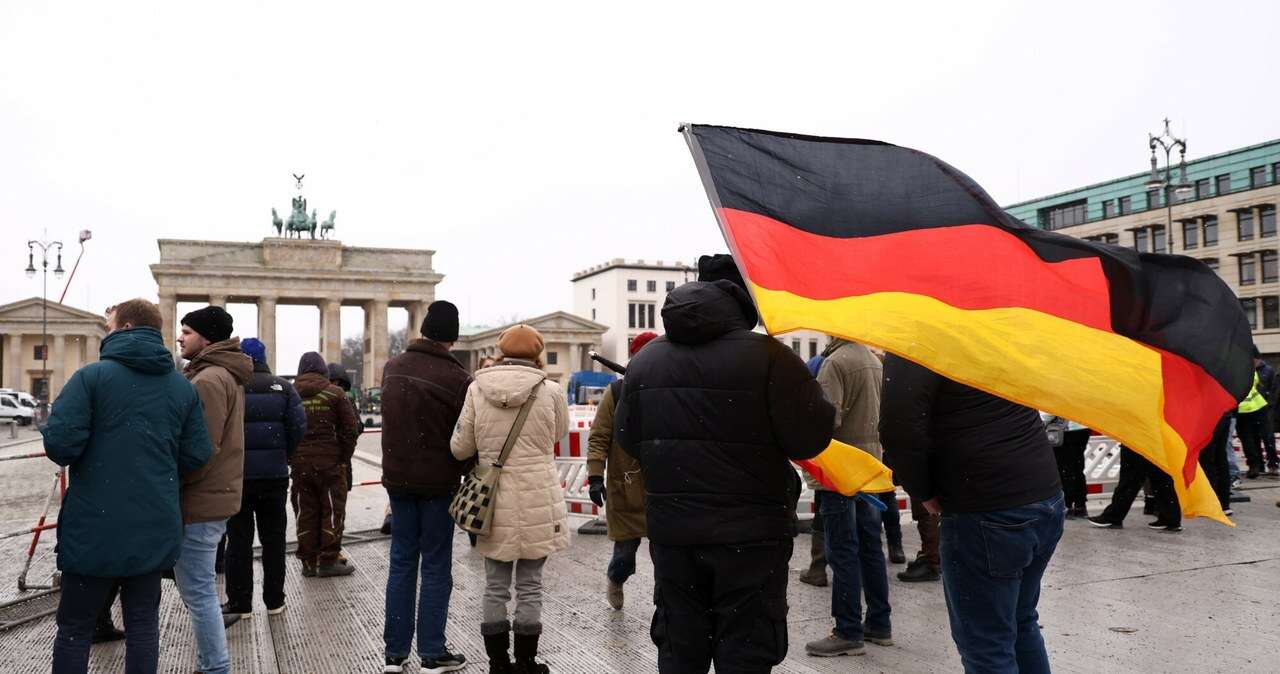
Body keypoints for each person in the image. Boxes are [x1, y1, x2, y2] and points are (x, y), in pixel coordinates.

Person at [614, 254, 835, 673]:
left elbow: (630, 439)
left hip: (675, 531)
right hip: (750, 535)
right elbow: (808, 438)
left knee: (682, 643)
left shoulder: (646, 361)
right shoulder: (770, 357)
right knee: (746, 646)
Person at [45, 299, 212, 674]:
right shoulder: (181, 388)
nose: (106, 332)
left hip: (93, 526)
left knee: (74, 629)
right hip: (153, 524)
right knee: (143, 627)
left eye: (109, 325)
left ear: (125, 328)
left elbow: (61, 446)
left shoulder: (90, 378)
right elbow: (198, 454)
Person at [879, 354, 1064, 674]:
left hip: (986, 508)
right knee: (1020, 623)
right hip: (1043, 494)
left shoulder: (915, 333)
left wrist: (923, 491)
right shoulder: (985, 325)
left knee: (987, 646)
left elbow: (899, 429)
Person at [452, 324, 570, 674]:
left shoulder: (476, 388)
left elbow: (461, 448)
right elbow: (559, 434)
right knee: (531, 585)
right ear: (536, 354)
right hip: (537, 496)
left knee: (495, 586)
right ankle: (527, 662)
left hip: (492, 502)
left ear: (501, 351)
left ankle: (497, 662)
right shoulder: (550, 391)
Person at [380, 301, 472, 674]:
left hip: (398, 480)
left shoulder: (393, 367)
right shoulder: (457, 378)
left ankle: (394, 654)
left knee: (401, 562)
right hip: (438, 483)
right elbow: (465, 437)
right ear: (453, 337)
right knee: (435, 565)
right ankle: (432, 652)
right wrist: (464, 468)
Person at [175, 305, 252, 674]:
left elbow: (201, 449)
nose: (179, 337)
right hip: (215, 495)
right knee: (199, 588)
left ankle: (214, 667)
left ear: (206, 338)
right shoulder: (223, 375)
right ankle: (211, 664)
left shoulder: (208, 380)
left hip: (201, 498)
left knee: (199, 592)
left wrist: (177, 480)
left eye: (186, 332)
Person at [804, 339, 892, 658]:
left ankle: (848, 630)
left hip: (840, 472)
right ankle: (879, 624)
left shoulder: (836, 363)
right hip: (868, 466)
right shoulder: (873, 360)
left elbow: (826, 420)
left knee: (841, 549)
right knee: (870, 546)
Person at [222, 338, 306, 620]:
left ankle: (240, 603)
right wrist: (283, 454)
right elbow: (298, 427)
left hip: (239, 476)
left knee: (239, 541)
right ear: (263, 357)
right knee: (274, 540)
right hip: (274, 476)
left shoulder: (231, 387)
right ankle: (274, 600)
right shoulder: (283, 387)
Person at [586, 330, 657, 610]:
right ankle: (616, 579)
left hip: (661, 485)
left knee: (665, 554)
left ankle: (664, 598)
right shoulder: (616, 392)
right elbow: (599, 436)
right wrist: (594, 476)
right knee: (625, 555)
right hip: (625, 485)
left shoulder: (669, 388)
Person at [291, 351, 360, 577]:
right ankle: (328, 560)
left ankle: (308, 562)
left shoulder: (291, 394)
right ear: (323, 370)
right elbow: (350, 429)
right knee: (332, 511)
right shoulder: (336, 393)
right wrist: (342, 456)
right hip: (330, 464)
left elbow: (285, 429)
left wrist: (292, 457)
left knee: (306, 512)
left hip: (301, 466)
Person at [1086, 445, 1182, 531]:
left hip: (1137, 441)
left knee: (1130, 479)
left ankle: (1113, 516)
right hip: (1154, 441)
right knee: (1160, 477)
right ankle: (1170, 518)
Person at [1236, 346, 1278, 479]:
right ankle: (1256, 466)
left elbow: (1272, 390)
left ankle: (1271, 464)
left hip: (1259, 408)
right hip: (1244, 410)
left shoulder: (1261, 371)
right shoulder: (1244, 369)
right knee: (1249, 439)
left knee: (1267, 437)